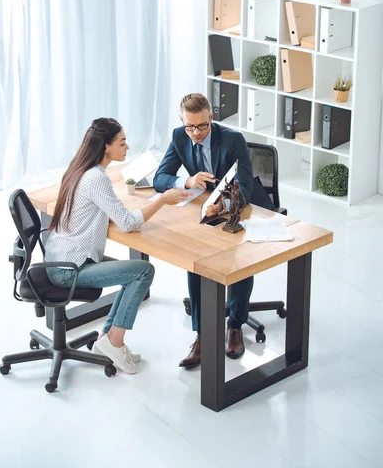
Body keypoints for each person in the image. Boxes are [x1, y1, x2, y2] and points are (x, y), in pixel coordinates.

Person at [45, 117, 190, 374]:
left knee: (132, 273)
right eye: (122, 142)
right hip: (69, 269)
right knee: (143, 271)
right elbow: (128, 223)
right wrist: (163, 199)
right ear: (106, 147)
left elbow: (97, 210)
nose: (127, 147)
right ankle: (115, 340)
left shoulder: (81, 169)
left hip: (62, 259)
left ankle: (107, 339)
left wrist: (106, 212)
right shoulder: (96, 178)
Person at [154, 93, 273, 369]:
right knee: (197, 262)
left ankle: (235, 325)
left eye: (202, 126)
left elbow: (244, 188)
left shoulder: (233, 140)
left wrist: (223, 205)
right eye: (190, 126)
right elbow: (161, 177)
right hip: (206, 207)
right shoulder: (179, 136)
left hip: (243, 206)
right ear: (182, 122)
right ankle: (203, 334)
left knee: (239, 258)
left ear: (212, 118)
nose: (195, 133)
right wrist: (187, 180)